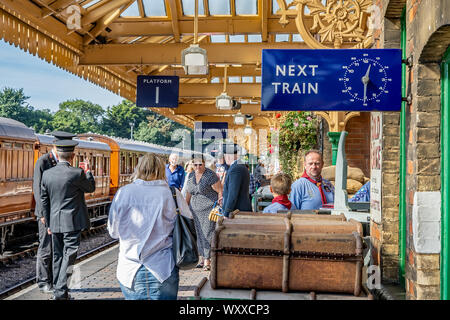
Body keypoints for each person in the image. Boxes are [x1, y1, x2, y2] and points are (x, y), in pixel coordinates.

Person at [108, 153, 192, 300]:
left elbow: (113, 232)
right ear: (161, 170)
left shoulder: (124, 193)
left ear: (139, 169)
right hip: (163, 268)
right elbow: (189, 224)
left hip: (129, 270)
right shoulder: (172, 194)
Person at [40, 139, 96, 300]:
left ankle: (60, 292)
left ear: (58, 155)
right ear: (72, 156)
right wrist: (88, 172)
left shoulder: (47, 174)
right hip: (72, 222)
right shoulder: (77, 173)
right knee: (69, 256)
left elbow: (44, 201)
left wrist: (49, 224)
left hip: (55, 222)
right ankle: (60, 291)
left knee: (57, 256)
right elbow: (90, 188)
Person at [32, 131, 75, 295]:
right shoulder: (43, 162)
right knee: (46, 247)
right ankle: (43, 281)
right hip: (47, 212)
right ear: (56, 146)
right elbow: (37, 189)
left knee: (60, 249)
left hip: (61, 212)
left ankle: (58, 282)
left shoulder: (66, 162)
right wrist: (43, 214)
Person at [185, 155, 222, 271]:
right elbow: (189, 193)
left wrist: (219, 206)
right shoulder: (191, 175)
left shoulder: (210, 175)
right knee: (198, 234)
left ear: (204, 163)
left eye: (200, 164)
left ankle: (208, 260)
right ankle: (202, 258)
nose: (198, 167)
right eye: (195, 164)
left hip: (208, 209)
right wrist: (185, 207)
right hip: (194, 210)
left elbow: (220, 191)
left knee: (207, 234)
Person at [221, 144, 252, 217]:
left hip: (237, 212)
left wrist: (226, 213)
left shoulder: (235, 168)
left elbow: (233, 195)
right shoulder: (239, 165)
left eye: (225, 155)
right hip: (240, 210)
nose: (225, 158)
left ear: (228, 156)